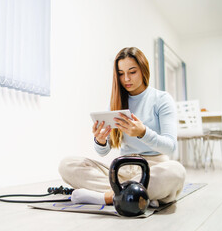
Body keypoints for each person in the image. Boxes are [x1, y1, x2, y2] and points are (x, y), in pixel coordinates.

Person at [59, 47, 186, 207]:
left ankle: (106, 197)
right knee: (67, 165)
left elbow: (171, 147)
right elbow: (103, 152)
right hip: (122, 169)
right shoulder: (115, 103)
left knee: (176, 171)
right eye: (120, 73)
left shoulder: (161, 99)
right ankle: (137, 195)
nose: (126, 78)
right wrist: (101, 140)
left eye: (132, 72)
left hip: (152, 168)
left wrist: (143, 133)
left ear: (143, 70)